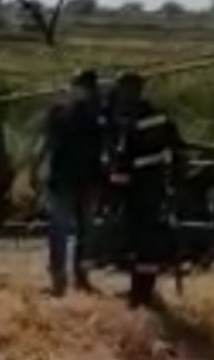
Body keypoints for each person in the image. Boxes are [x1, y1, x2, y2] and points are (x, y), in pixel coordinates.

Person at [106, 72, 185, 309]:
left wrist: (113, 196)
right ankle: (144, 290)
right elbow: (178, 151)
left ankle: (138, 294)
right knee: (150, 242)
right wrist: (175, 182)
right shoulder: (161, 118)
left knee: (137, 242)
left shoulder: (130, 122)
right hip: (157, 187)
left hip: (136, 191)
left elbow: (122, 162)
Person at [35, 69, 105, 296]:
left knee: (81, 231)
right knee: (65, 230)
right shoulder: (62, 113)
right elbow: (47, 142)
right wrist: (36, 167)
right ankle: (62, 279)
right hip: (67, 178)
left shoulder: (98, 115)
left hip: (85, 178)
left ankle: (78, 277)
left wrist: (36, 167)